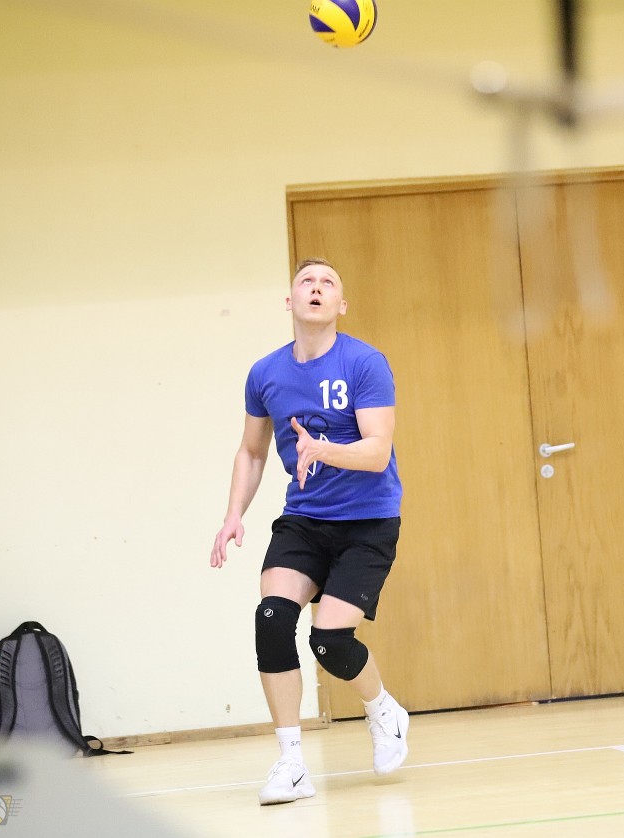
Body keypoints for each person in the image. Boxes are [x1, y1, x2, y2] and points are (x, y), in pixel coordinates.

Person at [210, 257, 408, 806]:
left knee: (329, 642)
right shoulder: (265, 373)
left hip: (367, 521)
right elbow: (252, 451)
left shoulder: (365, 363)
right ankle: (292, 763)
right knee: (272, 619)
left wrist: (324, 450)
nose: (316, 289)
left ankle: (383, 710)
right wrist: (233, 514)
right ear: (290, 301)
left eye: (328, 283)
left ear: (341, 304)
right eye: (306, 282)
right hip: (305, 519)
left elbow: (377, 452)